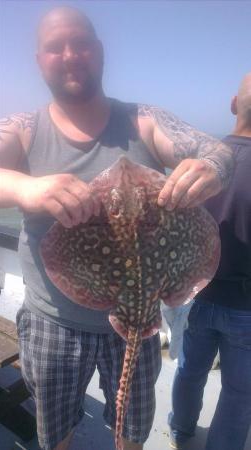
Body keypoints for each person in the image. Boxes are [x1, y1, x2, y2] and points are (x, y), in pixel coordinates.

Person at [0, 6, 234, 450]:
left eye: (81, 43)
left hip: (143, 320)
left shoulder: (144, 119)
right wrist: (26, 188)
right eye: (55, 46)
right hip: (52, 323)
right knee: (55, 433)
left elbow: (213, 147)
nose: (70, 55)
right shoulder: (25, 130)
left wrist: (214, 165)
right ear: (39, 59)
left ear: (100, 51)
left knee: (131, 431)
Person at [168, 72, 251, 450]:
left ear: (233, 105)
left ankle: (180, 431)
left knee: (189, 372)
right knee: (238, 392)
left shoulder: (200, 161)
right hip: (246, 306)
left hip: (198, 294)